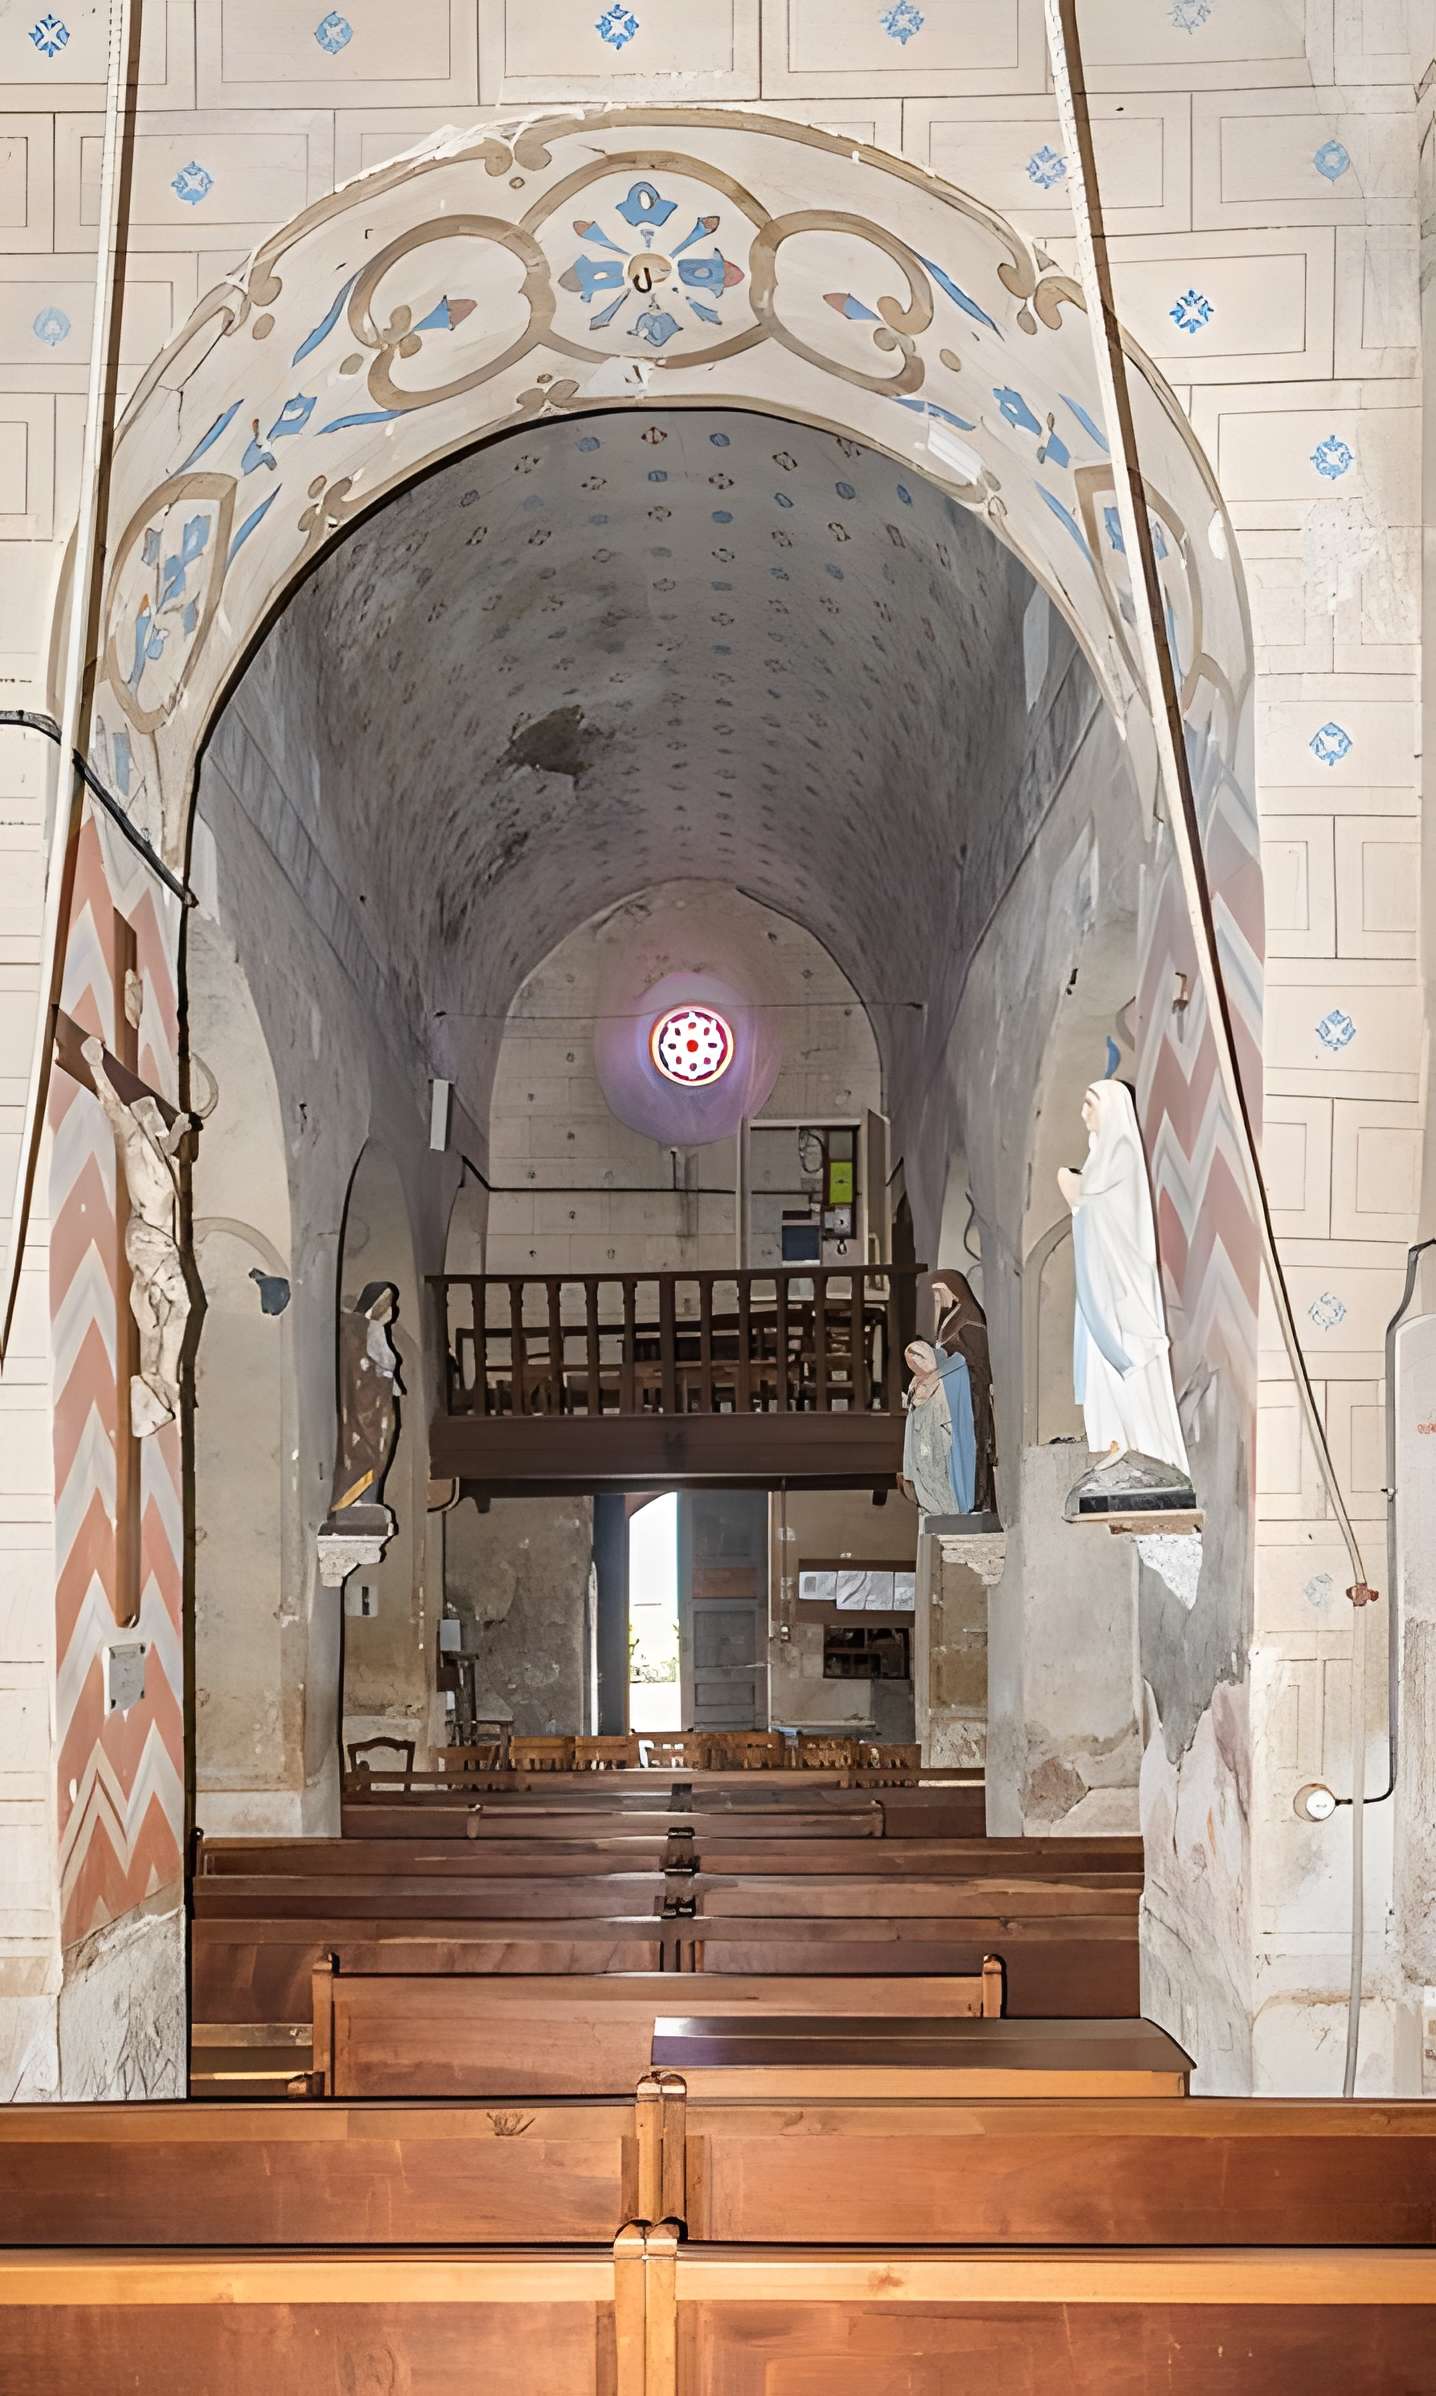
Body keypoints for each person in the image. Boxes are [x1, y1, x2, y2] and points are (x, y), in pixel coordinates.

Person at [1058, 1079, 1189, 1477]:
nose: (1083, 1114)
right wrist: (1078, 1196)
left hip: (1121, 1290)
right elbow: (1087, 1206)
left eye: (1090, 1104)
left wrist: (1075, 1190)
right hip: (1102, 1288)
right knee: (1105, 1383)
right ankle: (1120, 1455)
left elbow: (1105, 1214)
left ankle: (1151, 1459)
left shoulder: (1122, 1153)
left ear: (1111, 1109)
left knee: (1131, 1376)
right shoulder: (1100, 1157)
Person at [930, 1267, 998, 1517]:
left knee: (974, 1445)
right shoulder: (949, 1318)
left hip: (971, 1394)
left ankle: (979, 1499)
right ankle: (966, 1498)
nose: (940, 1298)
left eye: (941, 1292)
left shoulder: (969, 1316)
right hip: (954, 1395)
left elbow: (977, 1360)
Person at [901, 1338, 977, 1518]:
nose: (916, 1365)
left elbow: (946, 1412)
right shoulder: (916, 1382)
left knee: (939, 1469)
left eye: (919, 1359)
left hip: (938, 1433)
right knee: (924, 1470)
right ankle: (934, 1505)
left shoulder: (946, 1376)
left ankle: (947, 1506)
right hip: (922, 1434)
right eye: (912, 1363)